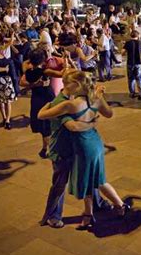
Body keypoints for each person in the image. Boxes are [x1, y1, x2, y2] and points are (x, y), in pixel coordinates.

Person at [37, 71, 129, 230]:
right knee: (95, 179)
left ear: (77, 86)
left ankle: (104, 209)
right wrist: (92, 122)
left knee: (91, 181)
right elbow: (109, 113)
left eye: (68, 83)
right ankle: (98, 210)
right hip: (94, 142)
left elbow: (44, 116)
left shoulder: (69, 104)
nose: (65, 85)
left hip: (82, 147)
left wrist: (48, 104)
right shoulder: (95, 99)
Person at [22, 49, 64, 158]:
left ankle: (45, 147)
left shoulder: (28, 72)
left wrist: (34, 84)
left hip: (36, 99)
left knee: (43, 124)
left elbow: (21, 82)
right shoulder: (45, 71)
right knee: (49, 124)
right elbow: (61, 74)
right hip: (47, 98)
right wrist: (67, 61)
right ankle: (49, 148)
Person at [0, 37, 15, 129]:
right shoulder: (3, 54)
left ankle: (5, 118)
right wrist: (4, 69)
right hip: (6, 80)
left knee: (1, 101)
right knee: (7, 101)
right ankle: (7, 120)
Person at [123, 30, 141, 100]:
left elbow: (122, 52)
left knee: (131, 79)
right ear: (137, 35)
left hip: (130, 63)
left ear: (131, 36)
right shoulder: (140, 43)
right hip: (138, 63)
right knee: (139, 79)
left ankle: (132, 93)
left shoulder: (128, 43)